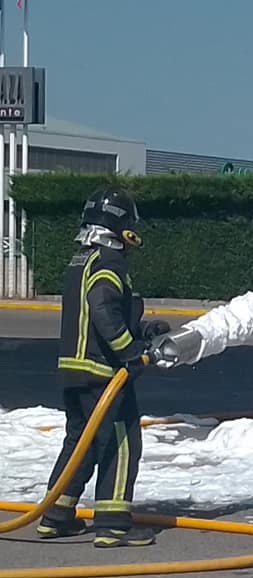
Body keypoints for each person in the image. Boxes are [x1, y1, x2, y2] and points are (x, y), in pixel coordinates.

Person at [37, 188, 169, 548]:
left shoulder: (81, 261)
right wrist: (130, 352)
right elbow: (102, 310)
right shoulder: (109, 264)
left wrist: (142, 330)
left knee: (81, 443)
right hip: (103, 373)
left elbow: (96, 314)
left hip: (73, 370)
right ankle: (113, 524)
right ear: (123, 228)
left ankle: (56, 515)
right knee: (122, 441)